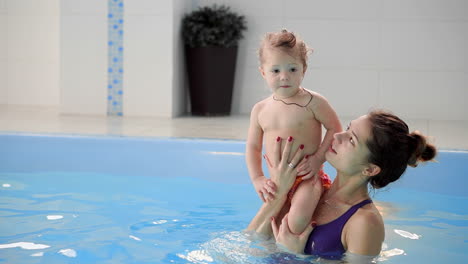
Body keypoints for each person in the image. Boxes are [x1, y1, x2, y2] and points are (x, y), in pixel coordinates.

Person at [247, 110, 437, 260]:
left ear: (370, 169)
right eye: (347, 128)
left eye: (352, 139)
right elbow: (248, 243)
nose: (337, 136)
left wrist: (298, 257)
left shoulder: (364, 223)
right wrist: (279, 192)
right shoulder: (308, 190)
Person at [246, 29, 342, 236]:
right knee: (268, 230)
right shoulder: (260, 110)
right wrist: (258, 178)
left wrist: (317, 159)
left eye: (292, 69)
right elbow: (253, 147)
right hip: (277, 183)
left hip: (308, 178)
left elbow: (335, 129)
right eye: (275, 71)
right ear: (263, 72)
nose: (284, 77)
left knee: (297, 218)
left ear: (303, 70)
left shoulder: (313, 102)